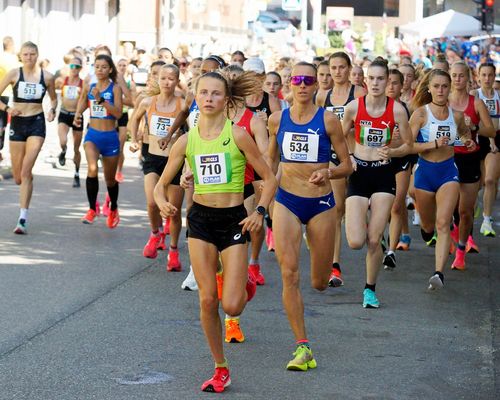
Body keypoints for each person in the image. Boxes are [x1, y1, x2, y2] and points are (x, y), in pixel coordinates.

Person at [154, 70, 277, 393]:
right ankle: (220, 367)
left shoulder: (237, 135)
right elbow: (161, 184)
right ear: (196, 96)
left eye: (215, 94)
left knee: (232, 306)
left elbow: (268, 178)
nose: (209, 98)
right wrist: (163, 202)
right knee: (208, 300)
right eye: (203, 93)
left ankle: (244, 282)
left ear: (226, 100)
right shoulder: (186, 139)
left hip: (234, 220)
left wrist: (261, 212)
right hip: (200, 221)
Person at [268, 62, 352, 370]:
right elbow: (269, 163)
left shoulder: (328, 120)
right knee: (289, 274)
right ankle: (302, 347)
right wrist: (261, 202)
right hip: (287, 201)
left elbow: (347, 165)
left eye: (308, 80)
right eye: (297, 80)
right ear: (289, 84)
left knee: (318, 282)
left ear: (317, 84)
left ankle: (314, 247)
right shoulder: (277, 120)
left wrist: (327, 171)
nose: (302, 85)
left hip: (320, 204)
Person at [342, 58, 412, 308]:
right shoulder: (353, 107)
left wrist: (392, 152)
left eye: (380, 79)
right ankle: (372, 232)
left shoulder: (397, 110)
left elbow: (409, 144)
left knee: (372, 240)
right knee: (355, 241)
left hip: (383, 174)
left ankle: (369, 290)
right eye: (371, 78)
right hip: (359, 173)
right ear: (364, 80)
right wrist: (349, 156)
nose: (375, 83)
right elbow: (340, 138)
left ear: (387, 81)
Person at [409, 69, 473, 289]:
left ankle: (438, 273)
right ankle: (427, 233)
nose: (440, 90)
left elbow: (464, 133)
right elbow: (409, 145)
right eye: (436, 86)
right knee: (429, 225)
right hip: (425, 173)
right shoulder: (420, 114)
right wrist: (433, 144)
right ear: (429, 88)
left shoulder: (456, 115)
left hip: (448, 172)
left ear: (450, 88)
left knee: (443, 222)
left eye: (445, 86)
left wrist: (468, 141)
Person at [316, 51, 366, 287]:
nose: (337, 72)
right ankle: (335, 266)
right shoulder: (322, 96)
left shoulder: (359, 94)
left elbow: (369, 124)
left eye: (341, 67)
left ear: (349, 69)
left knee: (364, 206)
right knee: (336, 211)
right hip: (334, 158)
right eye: (333, 68)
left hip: (358, 157)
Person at [129, 64, 184, 271]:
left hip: (174, 161)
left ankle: (173, 250)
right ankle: (155, 233)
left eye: (171, 78)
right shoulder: (147, 102)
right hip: (152, 157)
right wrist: (134, 140)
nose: (167, 82)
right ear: (157, 80)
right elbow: (134, 119)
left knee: (174, 211)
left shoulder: (183, 105)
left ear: (177, 81)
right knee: (152, 203)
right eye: (163, 78)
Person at [0, 41, 57, 234]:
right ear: (20, 56)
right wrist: (7, 109)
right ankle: (25, 180)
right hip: (17, 123)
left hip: (37, 123)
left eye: (33, 54)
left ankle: (22, 218)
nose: (29, 57)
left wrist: (52, 110)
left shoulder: (47, 77)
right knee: (18, 177)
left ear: (38, 54)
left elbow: (53, 97)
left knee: (26, 171)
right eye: (26, 54)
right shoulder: (14, 74)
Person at [448, 61, 494, 269]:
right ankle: (451, 231)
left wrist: (474, 126)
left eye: (461, 76)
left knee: (465, 210)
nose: (457, 79)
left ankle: (460, 250)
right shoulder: (443, 101)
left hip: (469, 159)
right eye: (454, 75)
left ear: (468, 78)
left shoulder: (476, 103)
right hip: (446, 158)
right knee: (447, 207)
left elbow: (491, 131)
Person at [73, 54, 123, 228]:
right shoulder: (90, 86)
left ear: (110, 69)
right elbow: (82, 104)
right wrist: (78, 115)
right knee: (92, 169)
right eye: (97, 66)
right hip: (93, 135)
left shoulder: (115, 88)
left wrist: (101, 100)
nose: (100, 70)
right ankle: (92, 209)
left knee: (110, 180)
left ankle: (114, 207)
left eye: (103, 67)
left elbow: (118, 113)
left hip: (110, 137)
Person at [383, 69, 415, 268]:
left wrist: (401, 139)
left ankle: (391, 251)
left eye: (395, 83)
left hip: (401, 159)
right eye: (389, 82)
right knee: (381, 206)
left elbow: (412, 139)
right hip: (378, 160)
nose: (391, 86)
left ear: (401, 86)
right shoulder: (370, 108)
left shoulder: (406, 109)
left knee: (396, 204)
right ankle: (382, 236)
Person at [472, 63, 500, 237]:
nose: (487, 79)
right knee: (479, 183)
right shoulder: (474, 95)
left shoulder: (498, 96)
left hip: (496, 141)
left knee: (490, 180)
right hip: (478, 140)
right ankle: (472, 209)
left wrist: (493, 140)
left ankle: (487, 220)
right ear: (478, 76)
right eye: (484, 75)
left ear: (494, 75)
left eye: (490, 75)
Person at [56, 56, 84, 187]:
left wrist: (78, 113)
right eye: (72, 66)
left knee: (76, 148)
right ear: (69, 67)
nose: (74, 69)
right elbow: (59, 96)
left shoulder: (83, 83)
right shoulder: (64, 81)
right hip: (64, 114)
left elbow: (84, 101)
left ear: (80, 68)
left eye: (77, 66)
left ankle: (77, 173)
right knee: (63, 141)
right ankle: (62, 152)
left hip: (76, 116)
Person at [115, 56, 137, 183]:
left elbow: (133, 103)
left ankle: (119, 171)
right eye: (120, 65)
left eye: (124, 65)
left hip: (123, 115)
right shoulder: (111, 81)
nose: (122, 67)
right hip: (112, 115)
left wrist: (118, 98)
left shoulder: (130, 83)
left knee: (120, 146)